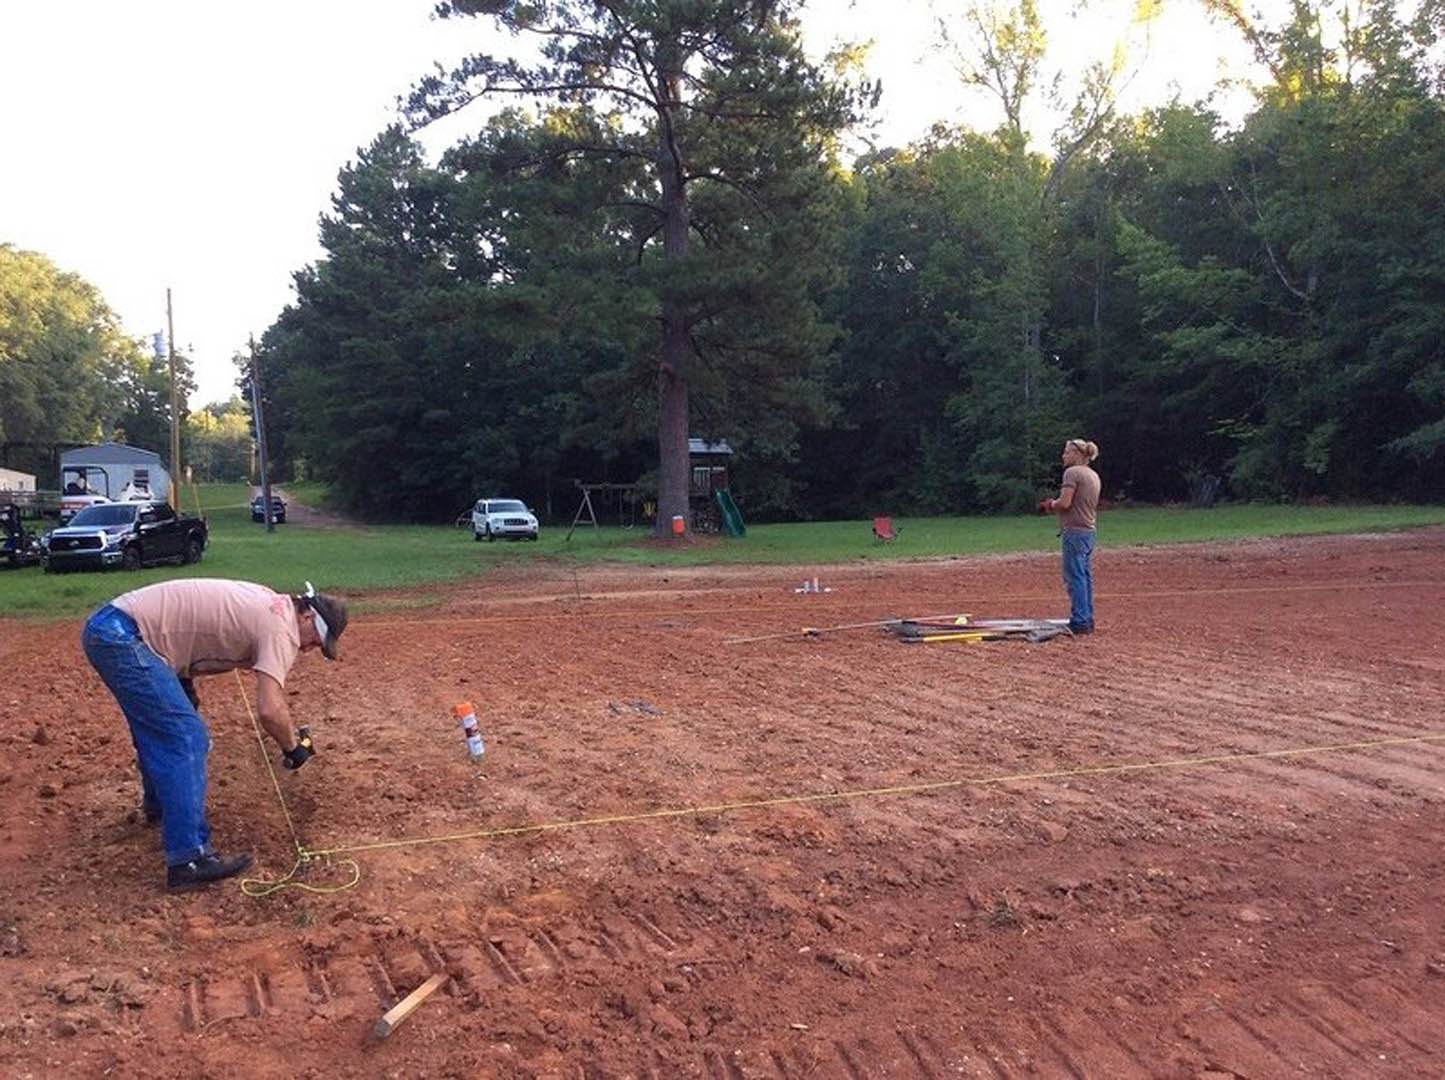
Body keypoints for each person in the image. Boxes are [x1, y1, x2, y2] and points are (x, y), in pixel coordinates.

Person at [81, 578, 348, 892]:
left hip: (115, 628)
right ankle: (187, 860)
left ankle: (161, 807)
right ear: (306, 616)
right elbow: (270, 710)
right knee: (186, 738)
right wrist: (293, 748)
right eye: (315, 640)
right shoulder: (283, 628)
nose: (309, 649)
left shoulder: (272, 603)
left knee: (168, 723)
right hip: (124, 637)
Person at [1038, 439, 1101, 635]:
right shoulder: (1093, 475)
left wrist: (1049, 505)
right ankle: (1086, 618)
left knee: (1074, 577)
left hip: (1074, 532)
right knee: (1084, 576)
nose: (1063, 456)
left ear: (1076, 454)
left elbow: (1065, 503)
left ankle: (1079, 621)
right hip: (1088, 531)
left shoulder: (1072, 473)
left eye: (1066, 452)